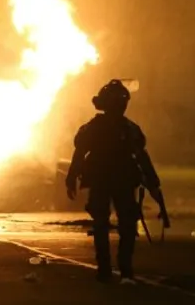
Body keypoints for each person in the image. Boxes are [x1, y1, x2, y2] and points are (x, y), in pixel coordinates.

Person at [65, 79, 163, 284]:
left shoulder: (117, 129)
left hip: (113, 181)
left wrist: (71, 176)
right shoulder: (124, 129)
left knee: (113, 224)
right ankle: (116, 268)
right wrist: (71, 176)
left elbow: (141, 157)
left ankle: (112, 268)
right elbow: (80, 153)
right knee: (114, 224)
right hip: (113, 181)